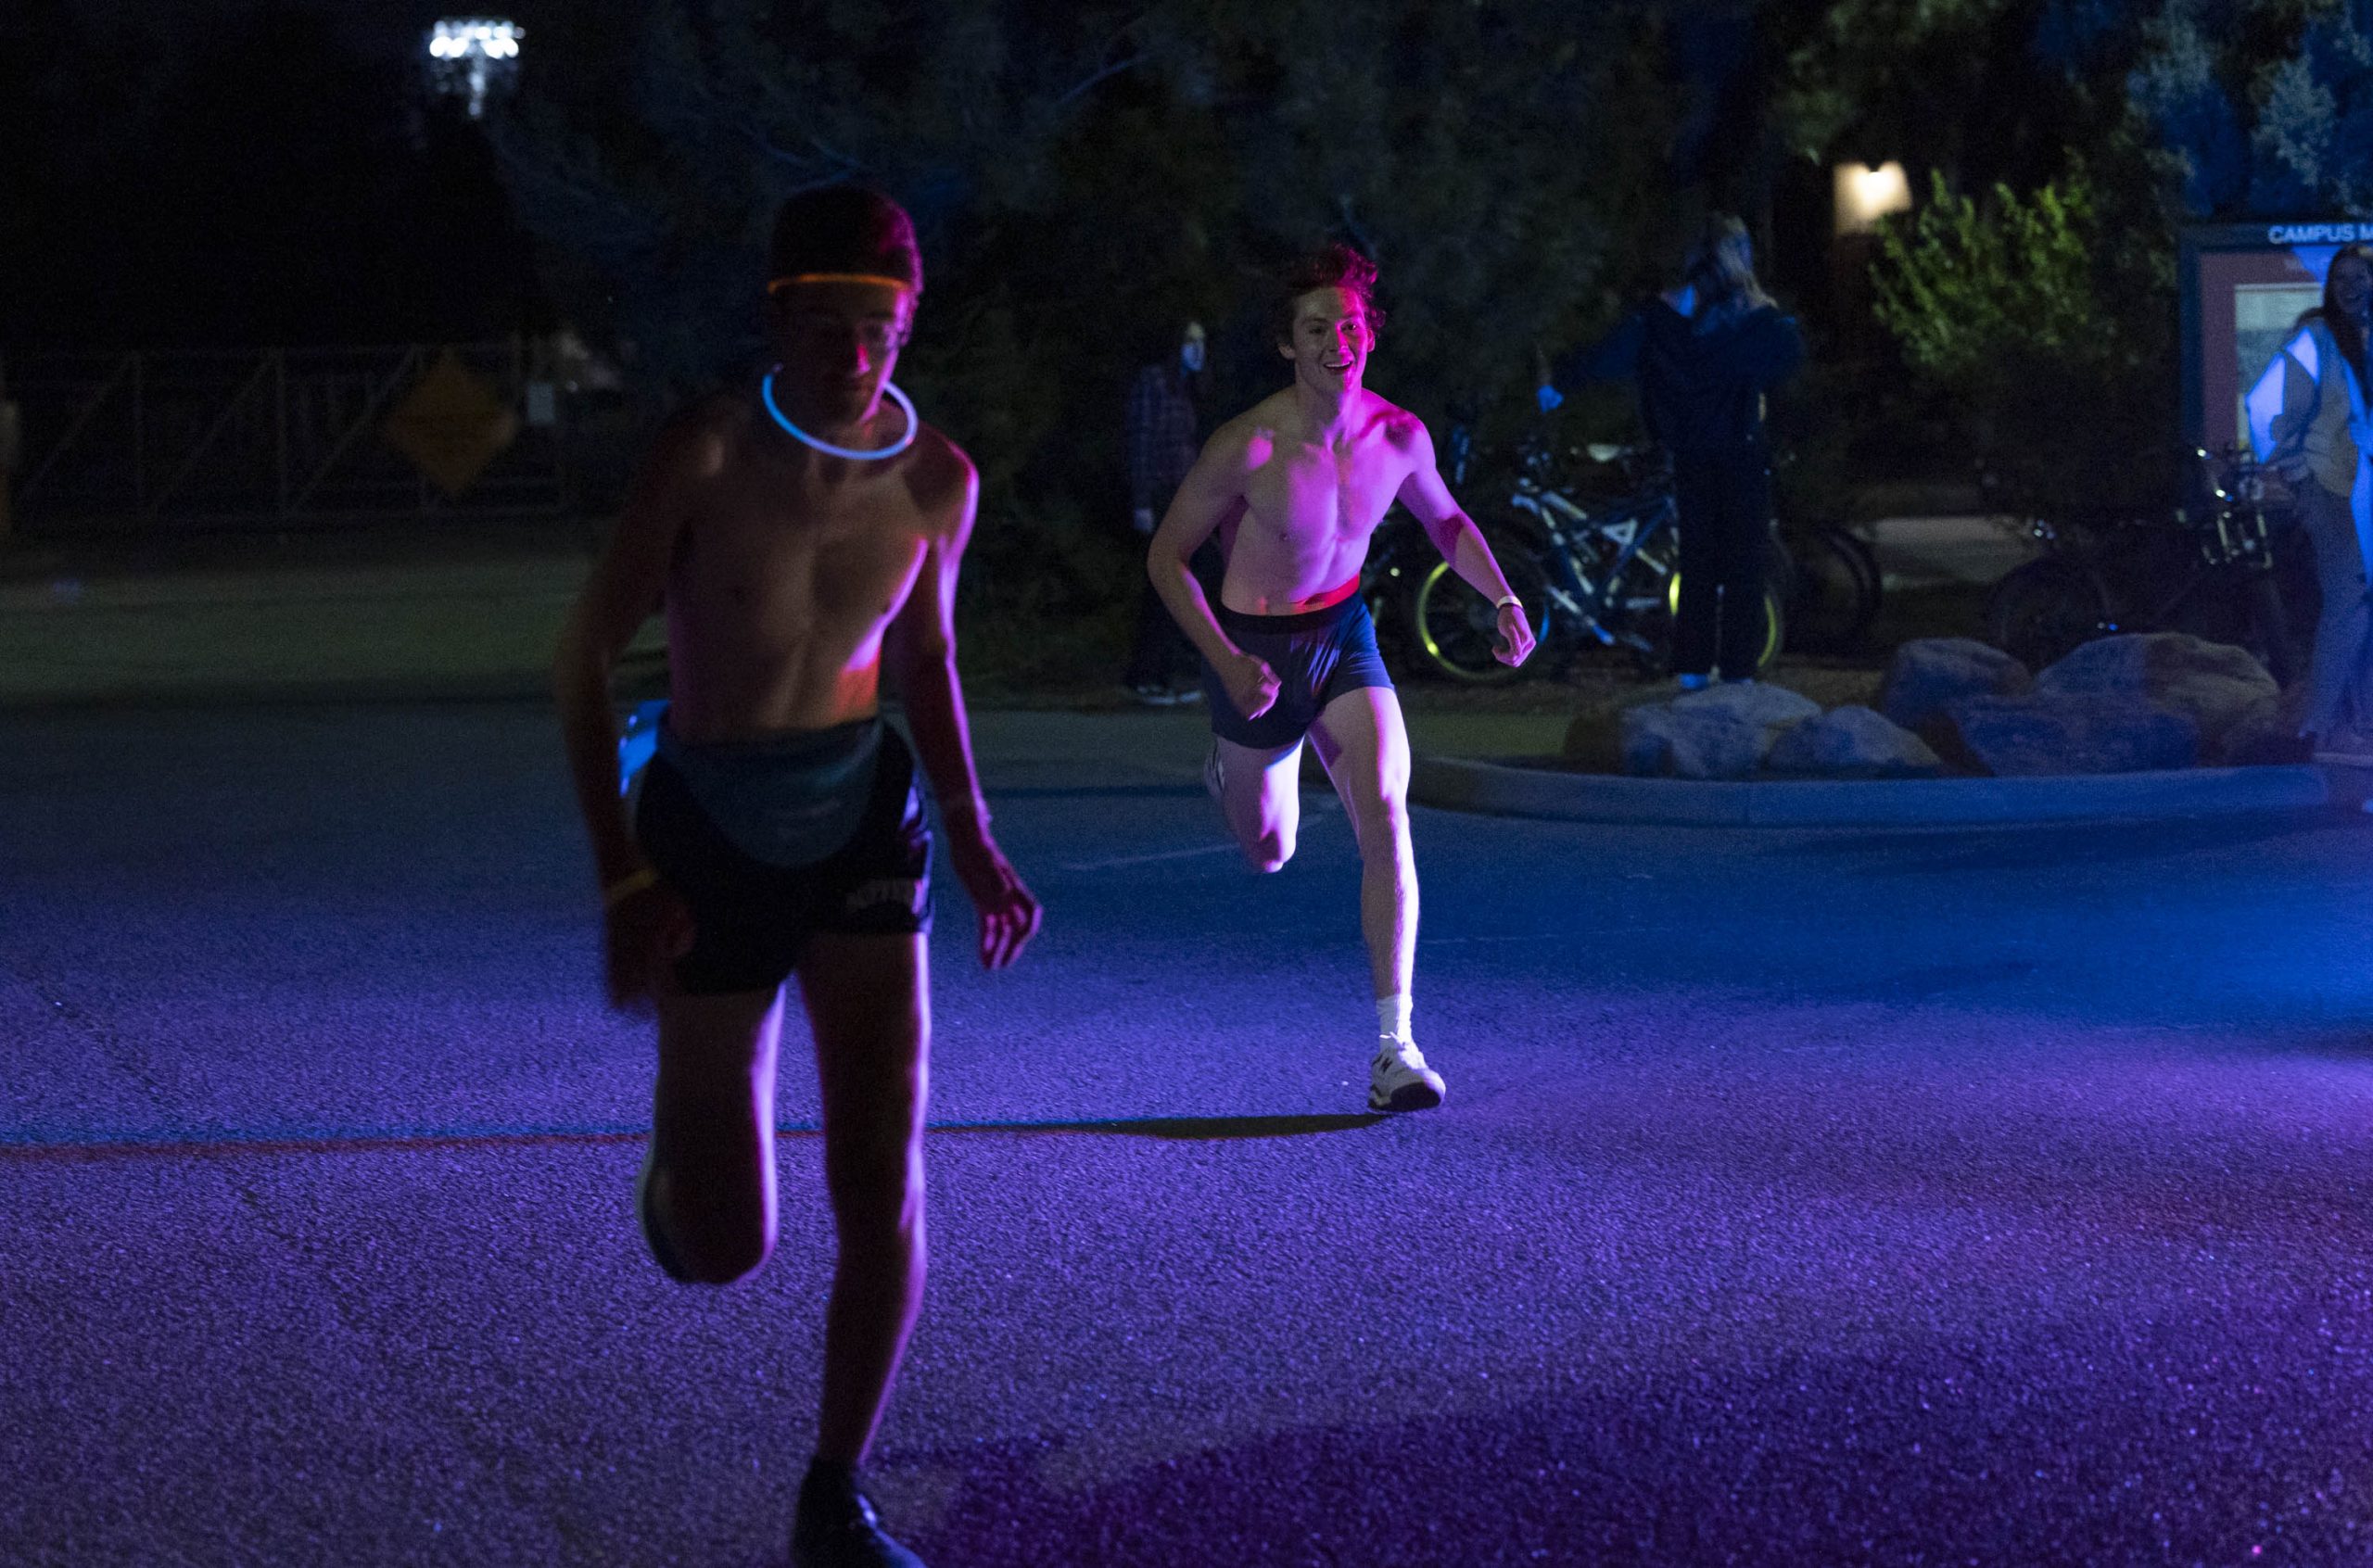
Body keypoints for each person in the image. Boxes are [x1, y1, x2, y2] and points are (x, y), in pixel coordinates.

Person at [552, 186, 1041, 1568]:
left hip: (863, 820)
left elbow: (927, 659)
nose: (853, 356)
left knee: (882, 1167)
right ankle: (682, 1174)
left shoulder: (938, 480)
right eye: (825, 326)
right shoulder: (708, 454)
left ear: (910, 323)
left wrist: (976, 833)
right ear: (778, 320)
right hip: (708, 825)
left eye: (878, 327)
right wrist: (621, 877)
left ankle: (836, 1491)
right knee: (726, 1245)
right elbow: (582, 655)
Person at [1147, 244, 1536, 1113]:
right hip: (1254, 651)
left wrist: (1503, 597)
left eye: (1350, 326)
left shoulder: (1398, 436)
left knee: (1388, 812)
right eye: (1316, 328)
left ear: (1370, 336)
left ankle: (1397, 1049)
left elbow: (1447, 522)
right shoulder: (1247, 444)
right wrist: (1225, 661)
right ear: (1288, 344)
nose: (1337, 342)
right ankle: (1233, 772)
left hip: (1342, 636)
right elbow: (1166, 558)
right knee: (1270, 851)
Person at [1542, 215, 1803, 687]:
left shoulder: (1660, 320)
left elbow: (1611, 355)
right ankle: (1738, 673)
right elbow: (1788, 355)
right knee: (1743, 565)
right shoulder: (1752, 321)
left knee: (1697, 562)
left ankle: (1692, 670)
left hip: (1689, 453)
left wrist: (1559, 381)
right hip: (1741, 451)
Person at [2247, 243, 2373, 761]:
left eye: (2361, 276)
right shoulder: (2317, 336)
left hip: (2364, 489)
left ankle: (2357, 725)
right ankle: (2320, 726)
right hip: (2333, 488)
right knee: (2350, 599)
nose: (2349, 286)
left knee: (2363, 606)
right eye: (2341, 278)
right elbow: (2271, 408)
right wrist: (2296, 471)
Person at [1123, 320, 1220, 704]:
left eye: (1202, 342)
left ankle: (1161, 674)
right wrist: (1142, 502)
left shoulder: (1187, 387)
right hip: (1163, 497)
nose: (1198, 350)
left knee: (1182, 583)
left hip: (1183, 498)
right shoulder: (1155, 382)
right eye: (1190, 341)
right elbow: (1142, 440)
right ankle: (1147, 677)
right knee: (1167, 586)